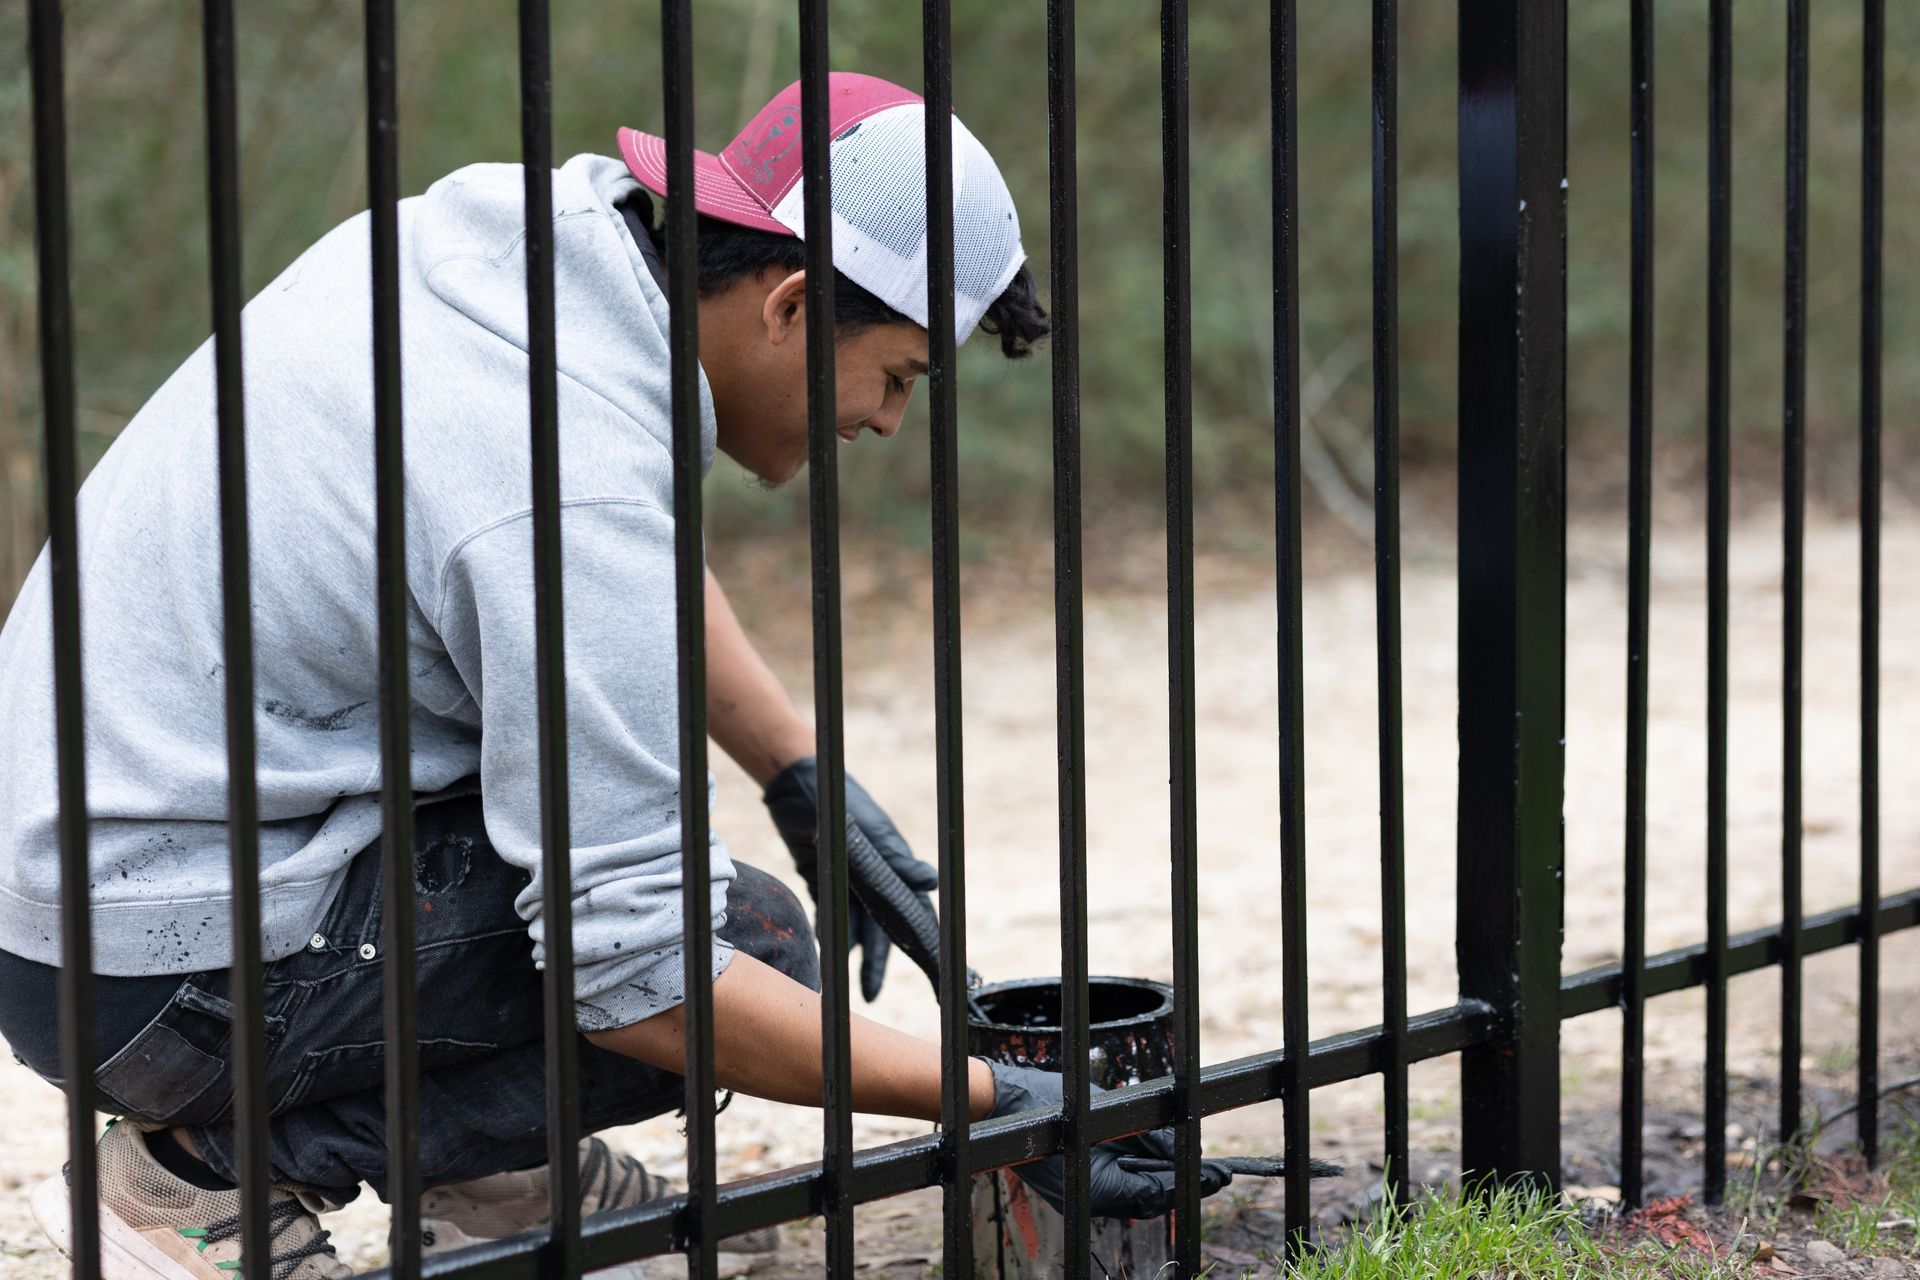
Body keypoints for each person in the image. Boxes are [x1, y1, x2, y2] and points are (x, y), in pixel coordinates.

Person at [0, 73, 1227, 1280]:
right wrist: (994, 1096)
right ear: (792, 306)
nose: (887, 422)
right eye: (898, 375)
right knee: (742, 942)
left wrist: (800, 774)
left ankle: (494, 1171)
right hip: (153, 967)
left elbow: (597, 543)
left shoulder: (536, 252)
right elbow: (644, 976)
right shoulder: (563, 468)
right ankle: (197, 1178)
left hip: (76, 876)